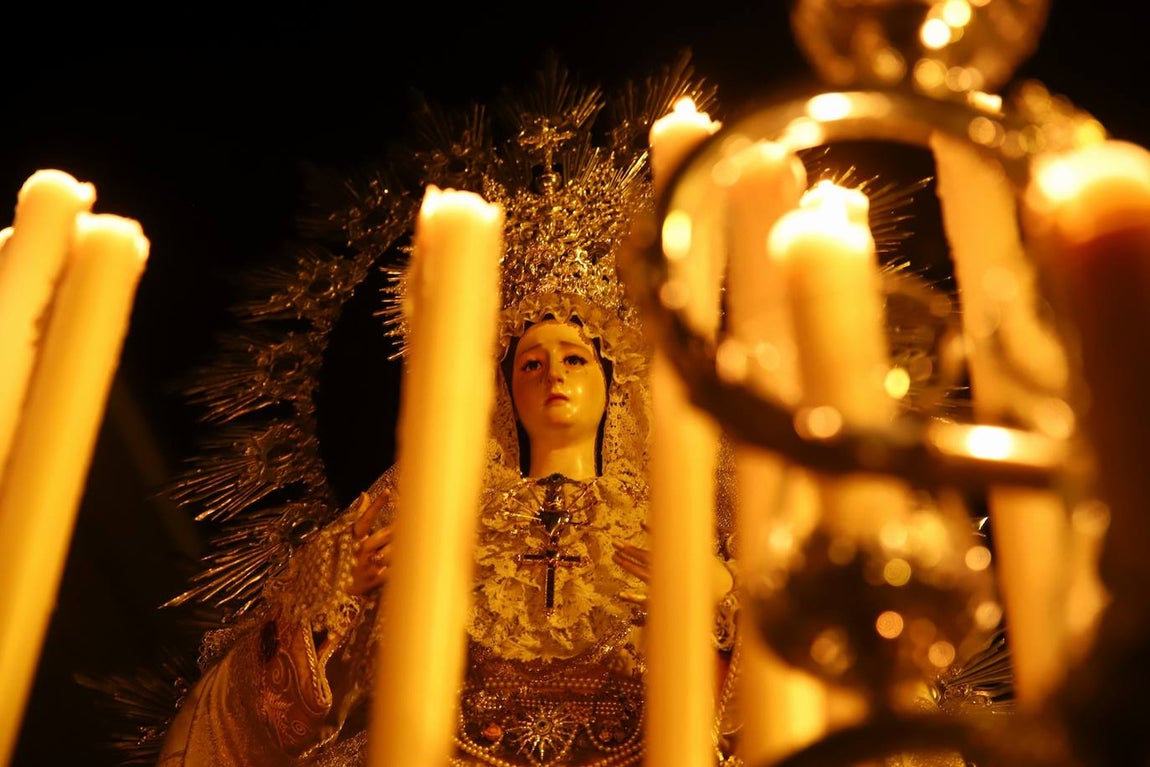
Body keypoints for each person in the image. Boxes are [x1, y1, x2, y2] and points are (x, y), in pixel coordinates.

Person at [151, 55, 741, 767]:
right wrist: (345, 587)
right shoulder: (434, 501)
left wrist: (725, 594)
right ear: (504, 394)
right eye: (530, 362)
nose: (553, 373)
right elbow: (261, 688)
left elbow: (785, 683)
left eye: (576, 358)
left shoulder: (674, 514)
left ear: (618, 385)